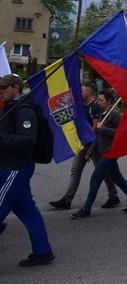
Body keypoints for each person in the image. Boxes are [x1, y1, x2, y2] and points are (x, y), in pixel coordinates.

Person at [0, 73, 55, 266]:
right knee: (27, 211)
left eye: (3, 88)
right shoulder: (10, 108)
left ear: (15, 88)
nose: (0, 92)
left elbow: (27, 140)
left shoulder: (23, 110)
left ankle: (43, 251)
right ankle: (43, 251)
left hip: (14, 168)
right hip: (9, 167)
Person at [71, 89, 127, 219]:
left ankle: (86, 208)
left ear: (109, 101)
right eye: (98, 99)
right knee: (116, 177)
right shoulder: (103, 113)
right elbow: (98, 136)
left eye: (102, 100)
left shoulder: (114, 113)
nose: (99, 102)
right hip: (103, 150)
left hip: (111, 151)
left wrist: (105, 128)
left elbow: (122, 132)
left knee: (96, 177)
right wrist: (91, 151)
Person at [50, 83, 120, 210]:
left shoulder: (96, 107)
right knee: (76, 171)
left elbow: (94, 129)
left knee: (102, 172)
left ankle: (113, 196)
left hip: (93, 145)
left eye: (81, 91)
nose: (79, 93)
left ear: (88, 93)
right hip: (82, 144)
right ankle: (67, 200)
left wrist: (89, 145)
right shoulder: (82, 106)